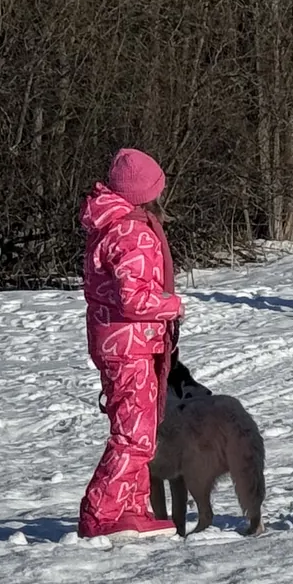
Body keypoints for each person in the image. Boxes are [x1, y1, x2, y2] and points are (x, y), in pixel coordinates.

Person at [76, 147, 184, 538]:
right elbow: (134, 298)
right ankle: (100, 512)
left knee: (140, 429)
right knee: (133, 436)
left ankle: (130, 507)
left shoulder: (114, 225)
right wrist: (172, 305)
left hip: (123, 343)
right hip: (129, 345)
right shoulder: (132, 232)